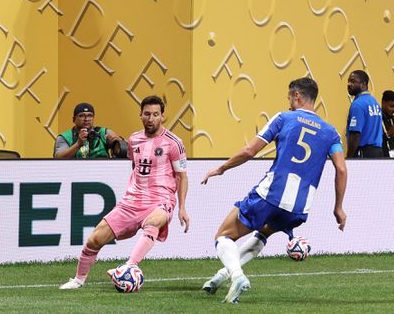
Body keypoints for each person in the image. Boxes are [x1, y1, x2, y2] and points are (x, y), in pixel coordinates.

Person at [199, 77, 347, 304]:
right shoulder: (331, 132)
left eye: (289, 96)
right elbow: (341, 169)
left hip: (272, 194)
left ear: (297, 95)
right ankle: (221, 277)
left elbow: (250, 151)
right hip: (299, 208)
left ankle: (237, 276)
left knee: (223, 236)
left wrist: (221, 168)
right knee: (264, 233)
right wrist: (338, 208)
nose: (288, 102)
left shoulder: (284, 118)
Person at [59, 95, 189, 290]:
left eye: (155, 114)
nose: (151, 118)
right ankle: (78, 279)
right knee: (95, 239)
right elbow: (135, 167)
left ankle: (129, 266)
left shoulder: (174, 143)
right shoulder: (134, 140)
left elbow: (182, 176)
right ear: (141, 115)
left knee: (154, 222)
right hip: (132, 201)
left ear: (162, 116)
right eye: (147, 114)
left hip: (161, 200)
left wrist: (182, 208)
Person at [54, 102, 123, 159]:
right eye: (81, 116)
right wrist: (78, 144)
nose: (86, 119)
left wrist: (117, 142)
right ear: (73, 119)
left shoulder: (103, 132)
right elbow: (58, 159)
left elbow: (125, 149)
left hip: (102, 172)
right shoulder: (65, 137)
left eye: (90, 115)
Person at [345, 70, 384, 158]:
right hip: (378, 153)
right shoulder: (375, 102)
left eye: (353, 81)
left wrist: (349, 158)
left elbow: (355, 134)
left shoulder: (358, 104)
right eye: (348, 81)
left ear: (364, 84)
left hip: (363, 154)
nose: (349, 84)